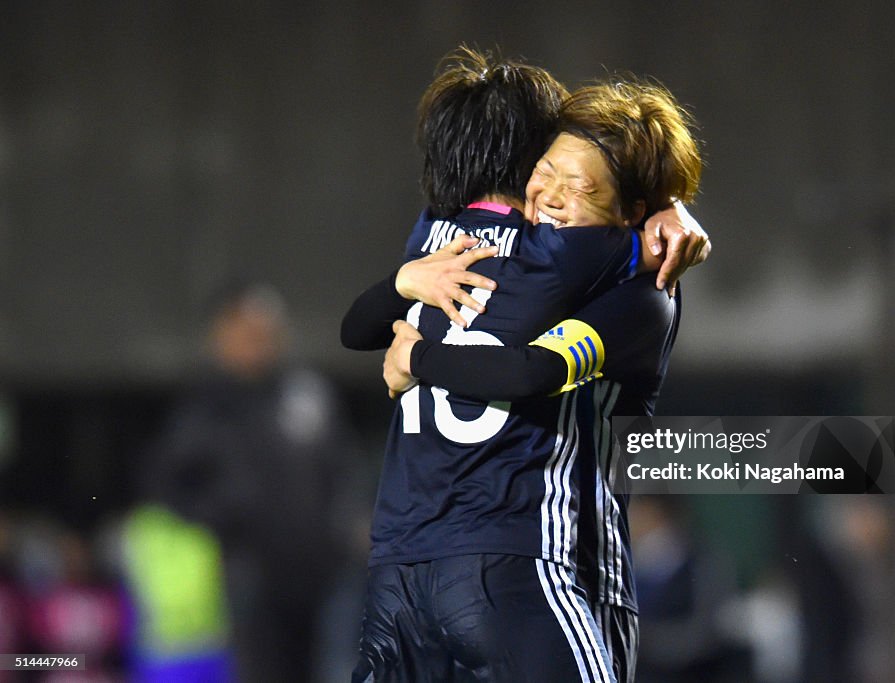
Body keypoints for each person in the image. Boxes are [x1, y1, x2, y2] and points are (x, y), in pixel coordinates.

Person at [342, 48, 706, 682]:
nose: (553, 196)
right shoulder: (621, 287)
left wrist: (415, 344)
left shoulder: (437, 241)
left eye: (580, 185)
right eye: (546, 170)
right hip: (538, 569)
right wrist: (662, 223)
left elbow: (356, 328)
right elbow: (532, 371)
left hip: (400, 576)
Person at [147, 281, 367, 683]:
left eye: (265, 333)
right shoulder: (206, 406)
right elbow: (170, 483)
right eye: (246, 333)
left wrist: (348, 523)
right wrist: (225, 516)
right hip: (250, 576)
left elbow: (343, 467)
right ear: (221, 336)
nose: (257, 343)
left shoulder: (305, 393)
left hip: (322, 572)